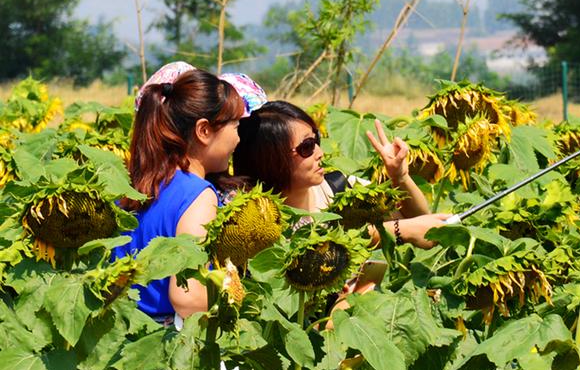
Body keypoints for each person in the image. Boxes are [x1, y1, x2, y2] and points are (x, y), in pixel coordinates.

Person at [113, 63, 247, 325]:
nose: (239, 140)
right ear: (204, 131)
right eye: (235, 127)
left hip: (122, 333)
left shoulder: (135, 184)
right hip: (165, 346)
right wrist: (237, 294)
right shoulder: (198, 195)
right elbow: (186, 297)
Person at [232, 100, 449, 247]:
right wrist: (396, 231)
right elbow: (314, 253)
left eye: (316, 140)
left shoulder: (337, 186)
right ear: (272, 158)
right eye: (307, 146)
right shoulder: (257, 220)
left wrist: (399, 178)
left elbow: (419, 219)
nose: (319, 153)